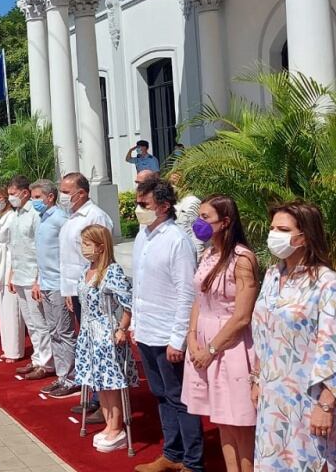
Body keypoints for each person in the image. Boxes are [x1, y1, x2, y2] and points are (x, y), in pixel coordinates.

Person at [251, 201, 336, 472]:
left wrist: (325, 405)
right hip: (274, 401)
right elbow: (264, 333)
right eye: (272, 227)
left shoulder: (328, 284)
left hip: (311, 403)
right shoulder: (272, 276)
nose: (273, 234)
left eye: (283, 228)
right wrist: (257, 379)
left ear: (304, 236)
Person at [183, 195, 260, 472]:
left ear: (225, 222)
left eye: (206, 217)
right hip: (204, 340)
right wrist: (191, 336)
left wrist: (211, 349)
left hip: (230, 347)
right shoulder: (208, 253)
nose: (199, 223)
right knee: (222, 420)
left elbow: (242, 316)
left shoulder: (242, 259)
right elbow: (199, 298)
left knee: (240, 423)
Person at [131, 178, 203, 472]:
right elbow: (139, 285)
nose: (138, 210)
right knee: (160, 395)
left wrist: (178, 339)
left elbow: (187, 293)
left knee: (179, 399)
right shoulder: (142, 237)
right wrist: (135, 323)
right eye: (137, 204)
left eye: (144, 205)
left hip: (167, 334)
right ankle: (171, 454)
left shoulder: (177, 240)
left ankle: (193, 462)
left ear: (163, 206)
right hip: (147, 330)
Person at [73, 224, 138, 454]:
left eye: (87, 244)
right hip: (89, 334)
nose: (83, 249)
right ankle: (109, 423)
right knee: (99, 382)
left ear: (101, 247)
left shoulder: (112, 271)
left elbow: (128, 302)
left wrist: (123, 328)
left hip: (106, 333)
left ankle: (117, 427)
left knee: (112, 383)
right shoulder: (86, 270)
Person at [58, 172, 115, 417]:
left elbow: (101, 254)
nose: (62, 196)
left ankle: (105, 402)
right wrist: (70, 290)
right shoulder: (71, 216)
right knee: (88, 345)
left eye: (66, 192)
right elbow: (69, 258)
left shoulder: (95, 216)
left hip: (95, 288)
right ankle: (93, 395)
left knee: (99, 346)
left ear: (81, 193)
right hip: (79, 287)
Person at [29, 179, 78, 397]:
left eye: (37, 197)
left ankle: (71, 378)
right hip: (46, 282)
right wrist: (37, 280)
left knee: (64, 332)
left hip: (59, 283)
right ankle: (62, 376)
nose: (33, 201)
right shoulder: (42, 219)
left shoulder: (60, 219)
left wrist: (67, 285)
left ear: (50, 197)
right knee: (53, 332)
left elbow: (69, 253)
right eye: (32, 197)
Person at [7, 176, 52, 380]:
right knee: (31, 322)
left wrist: (38, 279)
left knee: (40, 321)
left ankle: (47, 362)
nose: (10, 198)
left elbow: (39, 248)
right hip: (20, 274)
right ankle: (37, 358)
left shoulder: (35, 214)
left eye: (12, 194)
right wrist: (12, 273)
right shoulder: (16, 214)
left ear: (25, 193)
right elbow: (16, 247)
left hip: (33, 275)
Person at [0, 186, 25, 362]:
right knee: (2, 307)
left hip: (9, 260)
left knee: (12, 309)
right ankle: (7, 347)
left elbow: (14, 245)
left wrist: (12, 272)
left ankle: (15, 350)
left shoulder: (12, 217)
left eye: (0, 197)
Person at [169, 171, 203, 256]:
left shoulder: (192, 202)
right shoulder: (173, 202)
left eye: (175, 183)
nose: (172, 186)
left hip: (190, 252)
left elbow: (197, 234)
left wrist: (198, 258)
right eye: (171, 183)